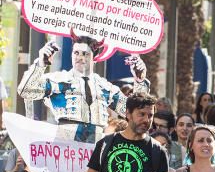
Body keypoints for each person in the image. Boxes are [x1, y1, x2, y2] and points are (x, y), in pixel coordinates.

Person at [18, 36, 148, 140]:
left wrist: (140, 81)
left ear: (94, 58)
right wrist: (40, 64)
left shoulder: (104, 87)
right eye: (76, 53)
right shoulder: (59, 80)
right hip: (65, 149)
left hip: (94, 154)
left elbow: (134, 113)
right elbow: (26, 91)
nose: (80, 57)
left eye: (85, 54)